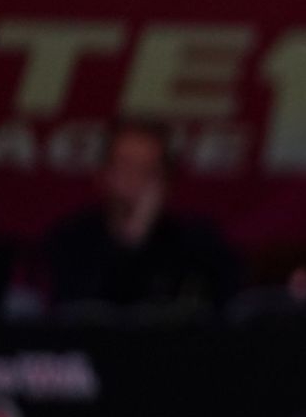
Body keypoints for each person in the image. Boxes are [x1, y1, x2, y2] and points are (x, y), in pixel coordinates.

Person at [29, 120, 240, 313]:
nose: (135, 178)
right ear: (103, 173)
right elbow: (80, 308)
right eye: (126, 165)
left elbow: (226, 304)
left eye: (149, 168)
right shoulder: (72, 237)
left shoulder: (195, 240)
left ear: (166, 180)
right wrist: (131, 239)